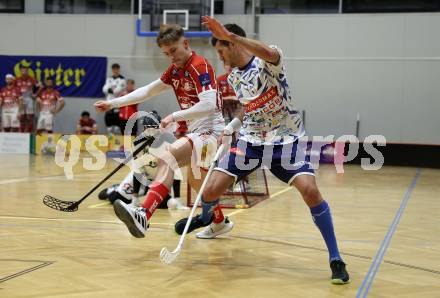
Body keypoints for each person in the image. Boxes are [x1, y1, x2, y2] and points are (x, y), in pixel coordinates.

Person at [178, 18, 350, 284]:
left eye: (222, 50)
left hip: (286, 142)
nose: (220, 57)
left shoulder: (268, 61)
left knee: (311, 191)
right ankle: (207, 219)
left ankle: (336, 258)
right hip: (251, 142)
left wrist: (230, 35)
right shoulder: (233, 76)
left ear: (232, 43)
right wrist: (234, 124)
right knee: (210, 190)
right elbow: (250, 105)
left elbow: (268, 52)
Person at [94, 24, 226, 238]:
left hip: (212, 131)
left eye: (173, 50)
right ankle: (219, 221)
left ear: (185, 43)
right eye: (166, 54)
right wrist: (113, 103)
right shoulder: (175, 71)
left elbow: (209, 105)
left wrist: (174, 116)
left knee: (168, 157)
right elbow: (147, 91)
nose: (171, 57)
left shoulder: (199, 65)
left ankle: (144, 215)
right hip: (198, 132)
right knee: (197, 182)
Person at [14, 65, 41, 133]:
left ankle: (30, 133)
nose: (24, 71)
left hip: (29, 100)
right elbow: (13, 89)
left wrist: (35, 94)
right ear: (20, 71)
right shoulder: (17, 79)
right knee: (22, 117)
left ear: (28, 71)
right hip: (20, 100)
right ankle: (22, 133)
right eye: (23, 70)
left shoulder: (32, 79)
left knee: (30, 117)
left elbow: (41, 86)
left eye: (26, 70)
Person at [102, 63, 126, 135]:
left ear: (119, 70)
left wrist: (111, 90)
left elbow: (117, 90)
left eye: (117, 69)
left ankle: (117, 142)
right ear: (112, 70)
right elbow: (104, 89)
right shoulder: (109, 79)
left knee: (116, 126)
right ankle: (110, 141)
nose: (115, 71)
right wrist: (109, 90)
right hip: (108, 102)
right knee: (109, 123)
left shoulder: (122, 80)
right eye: (114, 69)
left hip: (117, 103)